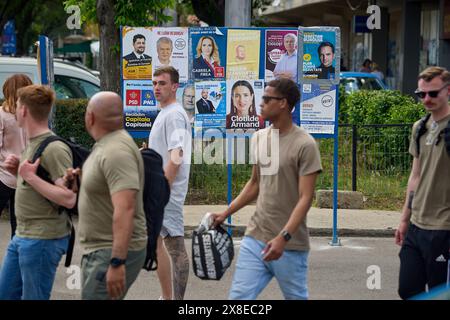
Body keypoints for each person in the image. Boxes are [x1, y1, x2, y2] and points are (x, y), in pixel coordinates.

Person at [213, 78, 322, 300]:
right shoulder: (259, 137)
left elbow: (305, 198)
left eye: (266, 99)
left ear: (283, 103)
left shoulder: (305, 144)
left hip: (290, 244)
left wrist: (284, 237)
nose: (260, 103)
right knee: (238, 299)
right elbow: (255, 184)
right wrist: (226, 213)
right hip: (256, 236)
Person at [0, 85, 76, 300]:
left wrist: (30, 177)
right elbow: (39, 183)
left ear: (23, 111)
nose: (14, 110)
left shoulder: (54, 148)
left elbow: (69, 197)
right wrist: (20, 173)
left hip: (42, 239)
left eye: (17, 106)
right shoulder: (33, 144)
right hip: (23, 236)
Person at [75, 91, 147, 300]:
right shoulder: (108, 144)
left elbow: (125, 207)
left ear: (91, 117)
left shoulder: (116, 151)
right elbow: (105, 191)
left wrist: (116, 262)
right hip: (102, 250)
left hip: (108, 251)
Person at [395, 66, 450, 300]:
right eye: (421, 94)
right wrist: (404, 219)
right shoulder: (419, 128)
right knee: (408, 290)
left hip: (444, 228)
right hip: (417, 226)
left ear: (448, 91)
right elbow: (415, 175)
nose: (426, 99)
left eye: (433, 94)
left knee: (439, 293)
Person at [148, 66, 192, 300]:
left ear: (175, 86)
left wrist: (163, 189)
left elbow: (177, 154)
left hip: (168, 192)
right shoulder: (166, 112)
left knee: (175, 247)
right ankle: (168, 297)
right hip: (160, 189)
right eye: (154, 83)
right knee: (157, 243)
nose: (157, 87)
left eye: (162, 83)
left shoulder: (174, 114)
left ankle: (177, 300)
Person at [0, 74, 32, 238]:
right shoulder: (33, 115)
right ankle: (18, 260)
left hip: (4, 175)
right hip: (26, 176)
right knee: (19, 226)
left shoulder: (1, 115)